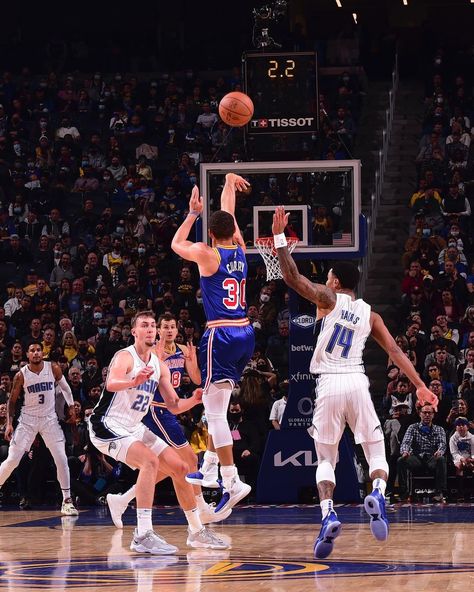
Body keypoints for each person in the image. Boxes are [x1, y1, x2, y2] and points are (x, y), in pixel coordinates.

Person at [272, 205, 437, 559]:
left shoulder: (327, 299)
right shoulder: (370, 313)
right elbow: (395, 351)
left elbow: (292, 278)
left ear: (333, 281)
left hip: (328, 385)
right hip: (358, 381)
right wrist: (421, 385)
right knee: (375, 452)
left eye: (328, 276)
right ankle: (377, 491)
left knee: (326, 458)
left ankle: (328, 514)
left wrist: (280, 240)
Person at [88, 310, 225, 554]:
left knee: (182, 467)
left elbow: (173, 405)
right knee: (150, 461)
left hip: (134, 426)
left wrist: (194, 399)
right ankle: (142, 534)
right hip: (107, 424)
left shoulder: (158, 364)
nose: (150, 329)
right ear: (134, 332)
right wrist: (133, 381)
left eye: (153, 325)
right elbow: (111, 383)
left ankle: (196, 532)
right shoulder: (125, 356)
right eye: (145, 325)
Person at [171, 173, 254, 514]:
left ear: (210, 234)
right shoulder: (241, 249)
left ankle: (230, 478)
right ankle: (209, 468)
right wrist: (228, 185)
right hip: (246, 334)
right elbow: (228, 215)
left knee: (213, 407)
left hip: (220, 334)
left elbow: (177, 245)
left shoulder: (207, 254)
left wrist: (192, 214)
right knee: (214, 407)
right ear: (233, 232)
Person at [0, 341, 78, 515]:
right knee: (12, 460)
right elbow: (12, 402)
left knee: (61, 458)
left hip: (49, 419)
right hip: (28, 420)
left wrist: (71, 406)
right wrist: (10, 423)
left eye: (38, 350)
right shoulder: (21, 375)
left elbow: (66, 388)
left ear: (42, 353)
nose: (35, 353)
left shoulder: (53, 368)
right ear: (27, 355)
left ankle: (67, 500)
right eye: (32, 350)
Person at [398, 403, 447, 502]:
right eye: (424, 413)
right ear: (420, 414)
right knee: (401, 460)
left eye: (429, 413)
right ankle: (404, 494)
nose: (427, 415)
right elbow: (406, 442)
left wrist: (440, 451)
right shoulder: (412, 427)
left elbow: (442, 444)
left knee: (441, 459)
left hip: (432, 457)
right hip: (417, 458)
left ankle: (439, 493)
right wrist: (405, 452)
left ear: (433, 415)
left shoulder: (439, 429)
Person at [449, 416, 474, 500]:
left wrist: (471, 459)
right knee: (459, 467)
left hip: (470, 458)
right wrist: (461, 459)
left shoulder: (472, 438)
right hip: (458, 458)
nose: (461, 427)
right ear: (456, 427)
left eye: (463, 425)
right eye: (458, 425)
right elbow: (454, 453)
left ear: (467, 427)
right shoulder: (453, 438)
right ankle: (460, 493)